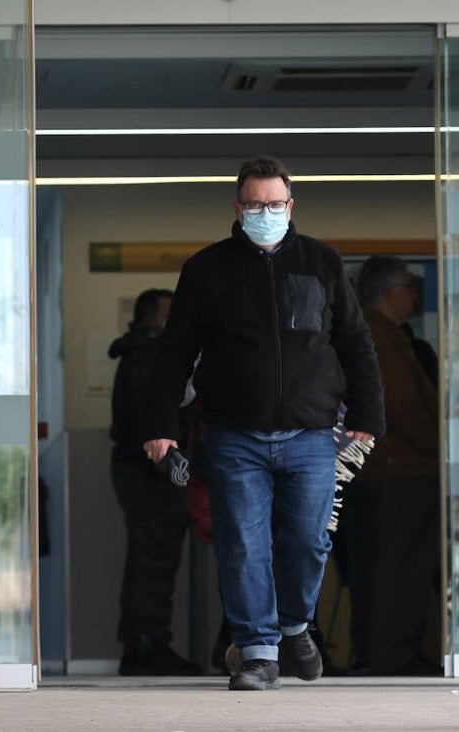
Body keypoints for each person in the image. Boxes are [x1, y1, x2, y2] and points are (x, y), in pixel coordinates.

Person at [143, 155, 385, 691]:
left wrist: (368, 412)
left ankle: (296, 627)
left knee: (306, 542)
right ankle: (258, 652)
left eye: (275, 204)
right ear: (238, 206)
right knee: (242, 545)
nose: (266, 212)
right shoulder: (206, 270)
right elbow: (175, 352)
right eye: (255, 204)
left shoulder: (321, 263)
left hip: (312, 435)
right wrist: (161, 426)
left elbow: (354, 343)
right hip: (233, 435)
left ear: (291, 205)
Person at [344, 255, 440, 675]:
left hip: (392, 467)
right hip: (399, 468)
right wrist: (441, 445)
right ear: (388, 293)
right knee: (400, 567)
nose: (413, 297)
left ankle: (393, 651)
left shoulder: (383, 335)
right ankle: (392, 655)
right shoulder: (378, 337)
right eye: (407, 288)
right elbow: (400, 406)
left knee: (392, 566)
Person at [108, 288, 201, 675]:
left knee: (146, 557)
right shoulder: (149, 358)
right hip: (152, 472)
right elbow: (155, 415)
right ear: (150, 318)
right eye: (169, 313)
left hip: (142, 472)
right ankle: (149, 645)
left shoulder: (136, 354)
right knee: (156, 558)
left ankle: (141, 644)